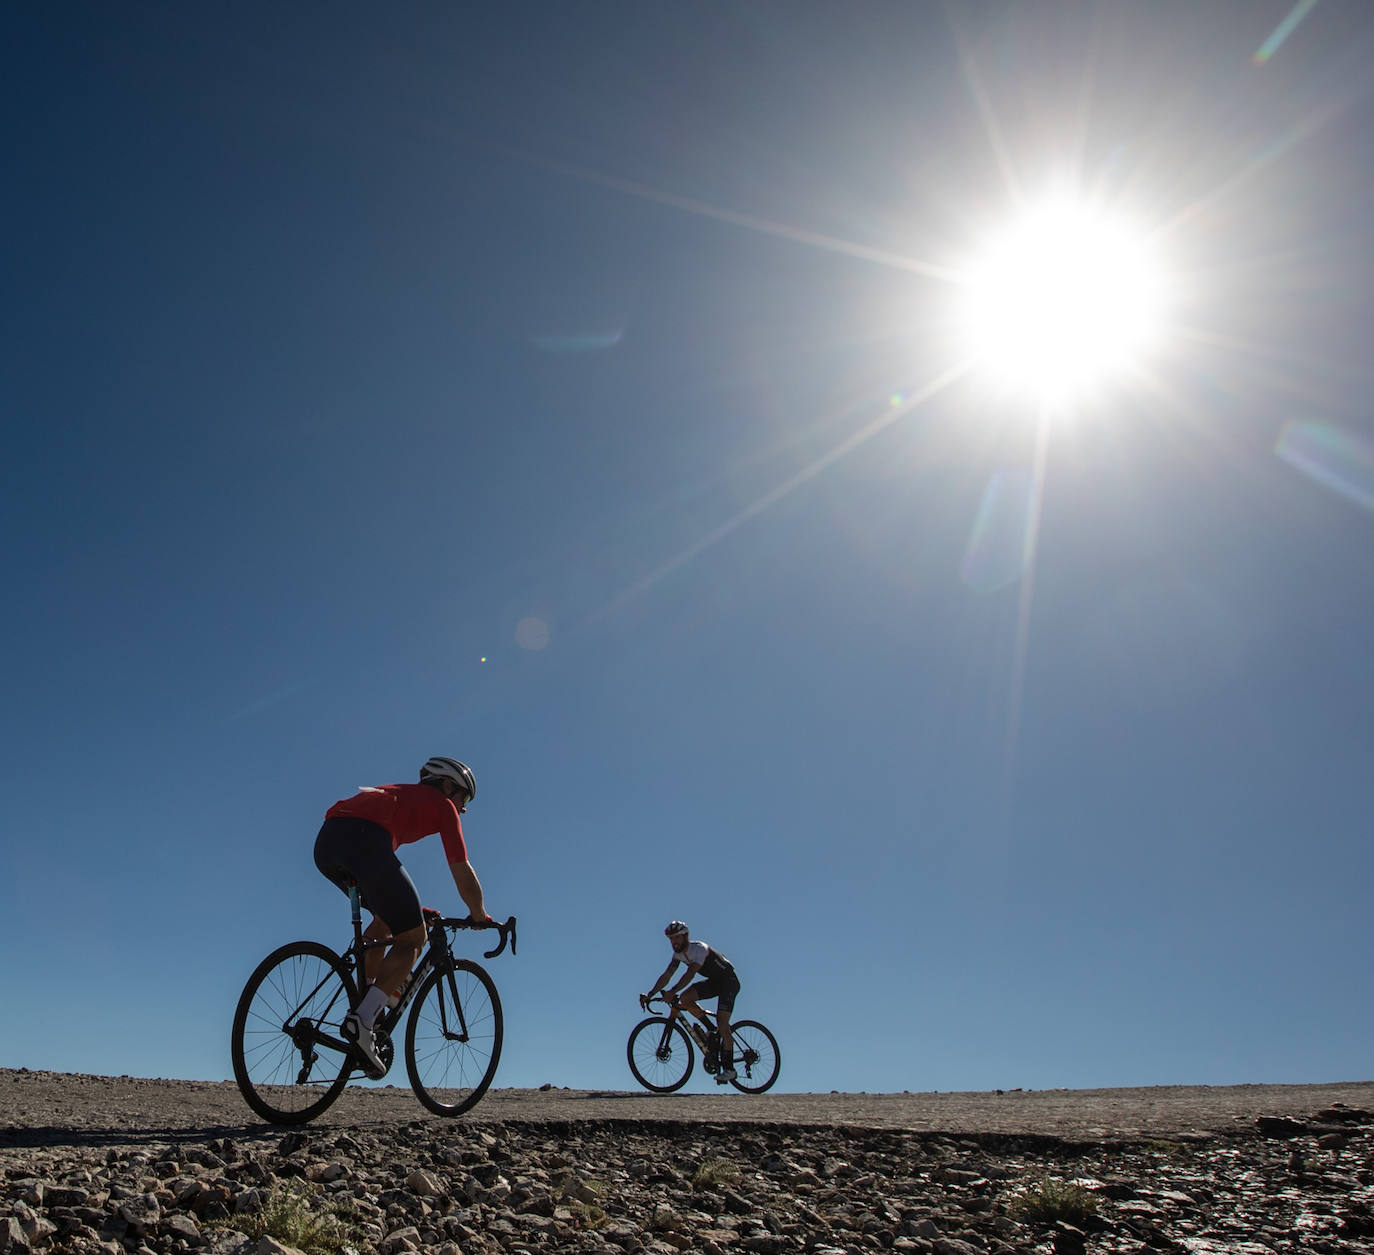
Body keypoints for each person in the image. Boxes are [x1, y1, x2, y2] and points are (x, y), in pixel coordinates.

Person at [313, 755, 491, 1076]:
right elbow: (460, 867)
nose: (462, 808)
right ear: (448, 785)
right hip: (366, 842)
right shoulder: (442, 805)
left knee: (385, 922)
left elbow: (383, 882)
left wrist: (411, 910)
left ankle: (366, 999)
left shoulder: (400, 794)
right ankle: (363, 1019)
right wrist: (478, 913)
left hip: (327, 842)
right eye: (463, 797)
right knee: (414, 938)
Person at [642, 921, 740, 1084]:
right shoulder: (678, 955)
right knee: (685, 998)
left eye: (677, 938)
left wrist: (672, 991)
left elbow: (690, 974)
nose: (674, 942)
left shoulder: (699, 949)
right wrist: (650, 993)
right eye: (671, 939)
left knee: (723, 1024)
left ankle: (730, 1070)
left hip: (729, 982)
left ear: (685, 936)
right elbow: (667, 975)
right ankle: (710, 1030)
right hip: (714, 981)